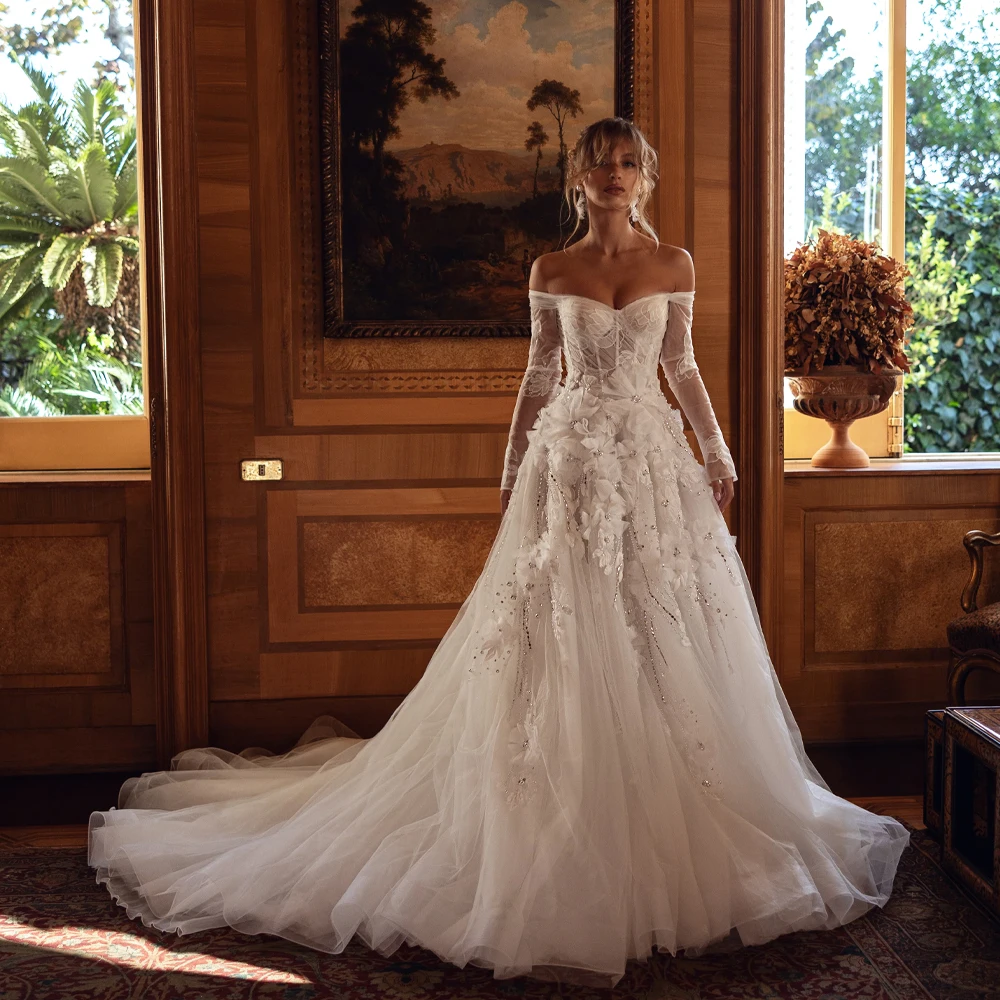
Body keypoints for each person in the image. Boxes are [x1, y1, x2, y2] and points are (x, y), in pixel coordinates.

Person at [88, 116, 909, 989]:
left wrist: (718, 452)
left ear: (645, 175)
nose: (616, 176)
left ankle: (665, 796)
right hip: (570, 463)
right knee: (562, 621)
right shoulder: (551, 270)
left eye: (628, 163)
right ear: (579, 177)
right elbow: (540, 372)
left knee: (661, 618)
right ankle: (548, 799)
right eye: (601, 164)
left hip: (651, 466)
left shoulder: (675, 265)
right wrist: (514, 467)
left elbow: (683, 365)